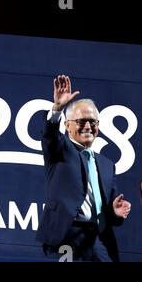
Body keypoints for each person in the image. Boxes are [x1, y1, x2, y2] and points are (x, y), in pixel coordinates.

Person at [36, 75, 131, 261]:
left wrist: (115, 211)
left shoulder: (107, 165)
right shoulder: (60, 149)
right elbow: (49, 133)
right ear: (67, 126)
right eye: (81, 122)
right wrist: (57, 108)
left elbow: (111, 211)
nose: (88, 126)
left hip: (98, 238)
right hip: (66, 236)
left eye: (93, 122)